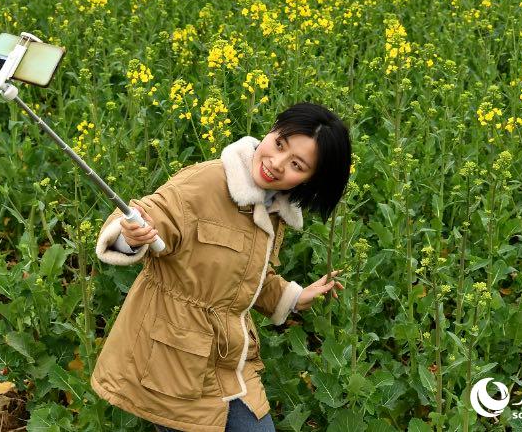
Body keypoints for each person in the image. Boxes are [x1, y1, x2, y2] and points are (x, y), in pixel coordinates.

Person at [91, 102, 351, 432]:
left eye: (297, 165)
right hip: (170, 358)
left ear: (310, 181)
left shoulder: (272, 208)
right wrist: (132, 233)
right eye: (279, 144)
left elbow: (245, 277)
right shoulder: (207, 181)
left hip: (226, 356)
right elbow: (148, 214)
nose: (276, 163)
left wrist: (293, 297)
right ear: (270, 131)